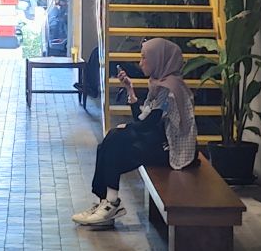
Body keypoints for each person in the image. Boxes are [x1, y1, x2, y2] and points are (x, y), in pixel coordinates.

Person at [73, 38, 197, 227]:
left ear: (159, 59)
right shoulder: (159, 83)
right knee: (109, 144)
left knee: (115, 140)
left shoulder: (171, 89)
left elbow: (149, 123)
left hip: (172, 150)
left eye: (145, 58)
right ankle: (106, 202)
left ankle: (110, 204)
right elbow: (142, 119)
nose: (141, 63)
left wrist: (127, 128)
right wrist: (130, 89)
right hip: (159, 141)